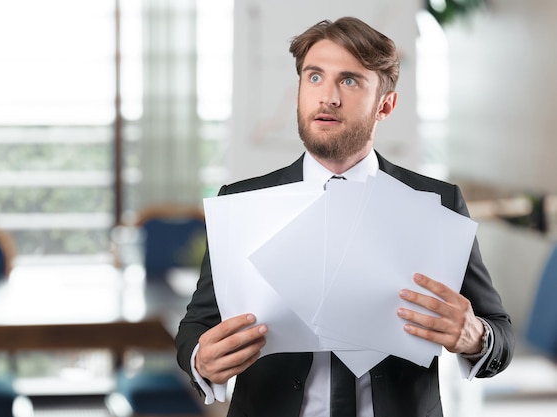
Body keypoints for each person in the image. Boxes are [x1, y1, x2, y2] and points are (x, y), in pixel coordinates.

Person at [175, 16, 514, 417]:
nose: (328, 97)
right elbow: (195, 327)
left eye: (350, 81)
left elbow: (499, 330)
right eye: (314, 77)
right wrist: (201, 360)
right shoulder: (242, 202)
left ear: (385, 105)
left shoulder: (436, 202)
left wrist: (475, 337)